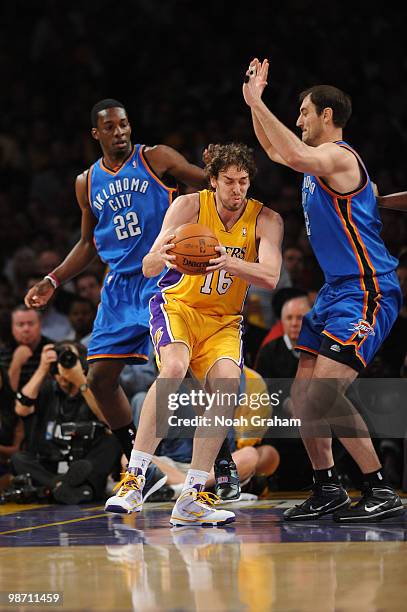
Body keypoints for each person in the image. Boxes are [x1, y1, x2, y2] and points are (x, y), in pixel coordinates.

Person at [243, 58, 404, 521]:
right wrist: (252, 104)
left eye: (305, 113)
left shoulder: (338, 157)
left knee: (325, 396)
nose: (298, 121)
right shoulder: (317, 165)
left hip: (367, 289)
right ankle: (327, 487)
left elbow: (290, 153)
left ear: (327, 116)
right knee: (301, 398)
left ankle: (379, 489)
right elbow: (278, 151)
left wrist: (259, 102)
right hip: (336, 290)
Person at [23, 99, 207, 489]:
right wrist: (52, 280)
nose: (120, 131)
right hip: (120, 288)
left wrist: (211, 206)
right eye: (111, 127)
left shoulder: (157, 158)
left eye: (124, 124)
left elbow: (205, 182)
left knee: (186, 371)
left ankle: (219, 468)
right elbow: (88, 243)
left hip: (164, 275)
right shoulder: (86, 182)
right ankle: (141, 469)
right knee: (101, 379)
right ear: (97, 133)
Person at [105, 142, 283, 526]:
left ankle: (192, 495)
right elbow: (150, 266)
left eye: (244, 181)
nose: (237, 190)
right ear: (214, 181)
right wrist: (163, 256)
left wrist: (227, 260)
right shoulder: (188, 207)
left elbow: (269, 276)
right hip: (179, 308)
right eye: (229, 182)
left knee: (226, 387)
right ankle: (134, 479)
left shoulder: (266, 220)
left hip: (223, 320)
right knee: (173, 367)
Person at [13, 341, 121, 504]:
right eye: (59, 361)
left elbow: (109, 419)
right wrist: (42, 369)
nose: (64, 365)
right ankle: (68, 487)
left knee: (113, 442)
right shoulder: (46, 388)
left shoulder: (94, 388)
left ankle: (74, 488)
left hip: (85, 462)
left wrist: (81, 382)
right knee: (18, 458)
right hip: (50, 461)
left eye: (70, 359)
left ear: (82, 363)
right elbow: (21, 409)